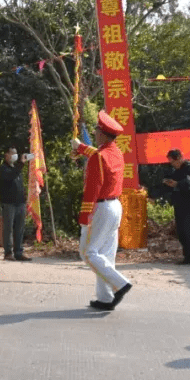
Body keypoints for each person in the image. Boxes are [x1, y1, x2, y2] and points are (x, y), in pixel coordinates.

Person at [71, 111, 132, 311]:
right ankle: (105, 298)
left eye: (97, 129)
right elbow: (99, 156)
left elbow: (92, 189)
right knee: (105, 254)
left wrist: (84, 216)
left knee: (88, 253)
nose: (95, 132)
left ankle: (120, 284)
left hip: (101, 207)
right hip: (115, 206)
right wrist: (80, 147)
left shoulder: (99, 156)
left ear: (103, 134)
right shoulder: (115, 152)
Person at [164, 149, 190, 265]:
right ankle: (188, 257)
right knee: (181, 232)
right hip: (179, 204)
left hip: (189, 204)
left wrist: (177, 184)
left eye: (173, 161)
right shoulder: (176, 170)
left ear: (180, 158)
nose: (172, 164)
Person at [0, 147, 31, 262]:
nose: (15, 156)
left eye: (16, 154)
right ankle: (8, 253)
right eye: (12, 153)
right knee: (8, 228)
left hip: (20, 203)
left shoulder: (16, 169)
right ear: (6, 155)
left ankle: (18, 252)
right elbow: (10, 176)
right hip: (8, 203)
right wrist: (21, 164)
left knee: (20, 228)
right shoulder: (3, 168)